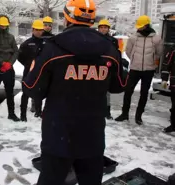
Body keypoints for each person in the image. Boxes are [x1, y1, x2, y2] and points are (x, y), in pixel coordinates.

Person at [22, 0, 128, 184]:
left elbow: (33, 89)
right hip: (92, 135)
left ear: (67, 17)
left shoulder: (52, 48)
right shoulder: (110, 49)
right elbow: (119, 85)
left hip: (58, 135)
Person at [115, 15, 163, 125]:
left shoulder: (156, 38)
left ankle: (138, 116)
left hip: (148, 69)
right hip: (135, 69)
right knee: (128, 91)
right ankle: (124, 114)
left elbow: (159, 53)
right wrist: (134, 59)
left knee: (144, 93)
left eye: (141, 26)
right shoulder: (133, 38)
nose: (139, 28)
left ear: (147, 25)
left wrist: (151, 60)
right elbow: (128, 51)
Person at [18, 19, 45, 121]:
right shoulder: (27, 43)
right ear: (33, 30)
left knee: (39, 92)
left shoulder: (45, 43)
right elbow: (19, 56)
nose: (39, 31)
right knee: (25, 93)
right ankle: (23, 115)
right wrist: (28, 65)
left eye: (40, 30)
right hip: (28, 72)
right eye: (37, 29)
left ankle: (38, 112)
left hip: (41, 72)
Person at [29, 16, 55, 115]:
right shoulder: (37, 38)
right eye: (45, 25)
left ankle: (47, 107)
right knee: (36, 85)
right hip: (38, 64)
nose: (47, 27)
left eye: (49, 25)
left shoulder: (53, 38)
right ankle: (34, 106)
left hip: (49, 65)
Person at [97, 19, 118, 120]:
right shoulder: (94, 39)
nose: (103, 29)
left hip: (108, 67)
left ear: (108, 29)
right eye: (101, 27)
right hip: (96, 67)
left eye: (105, 27)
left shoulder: (113, 40)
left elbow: (117, 54)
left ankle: (107, 111)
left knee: (107, 92)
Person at [161, 46, 175, 133]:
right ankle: (173, 125)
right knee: (174, 107)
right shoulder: (173, 50)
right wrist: (164, 79)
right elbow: (166, 64)